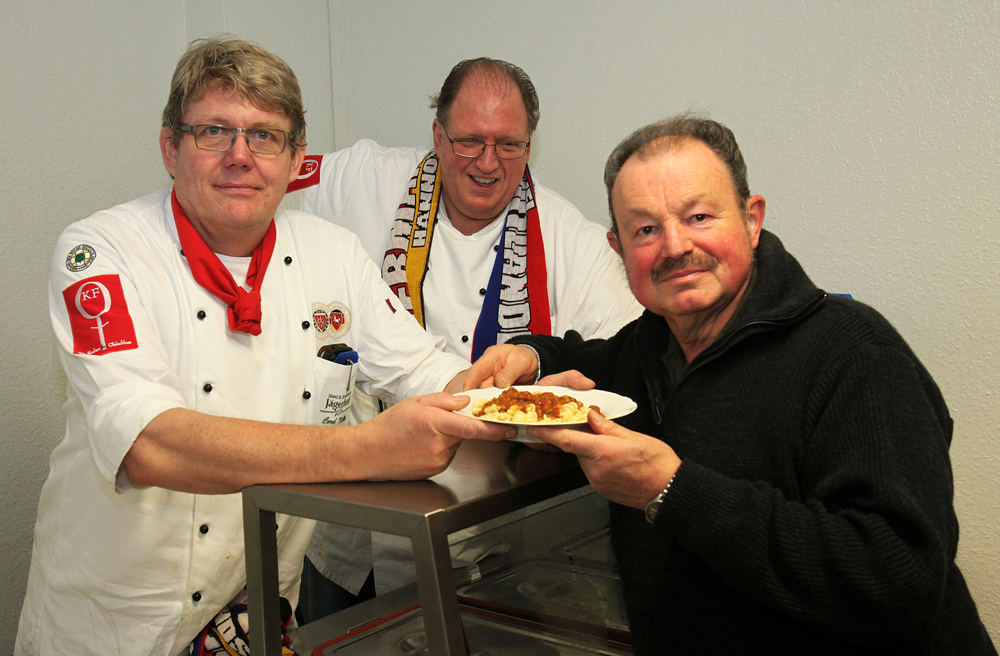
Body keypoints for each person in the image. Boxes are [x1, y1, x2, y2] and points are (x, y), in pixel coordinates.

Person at [15, 37, 515, 656]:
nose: (240, 157)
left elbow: (428, 372)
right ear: (170, 147)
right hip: (115, 622)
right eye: (213, 132)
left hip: (253, 614)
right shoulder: (101, 252)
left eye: (265, 136)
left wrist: (526, 396)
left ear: (296, 157)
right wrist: (367, 448)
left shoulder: (331, 252)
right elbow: (146, 444)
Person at [466, 114, 998, 655]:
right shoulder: (646, 348)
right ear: (618, 248)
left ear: (752, 219)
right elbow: (585, 358)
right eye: (645, 230)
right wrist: (531, 355)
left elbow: (901, 580)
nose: (675, 246)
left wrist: (673, 490)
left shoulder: (857, 355)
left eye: (698, 216)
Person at [287, 57, 642, 618]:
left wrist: (554, 395)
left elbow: (627, 360)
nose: (487, 162)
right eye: (469, 140)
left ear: (530, 146)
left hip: (493, 536)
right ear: (437, 134)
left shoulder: (573, 241)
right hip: (352, 527)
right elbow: (261, 186)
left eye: (508, 144)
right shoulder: (362, 179)